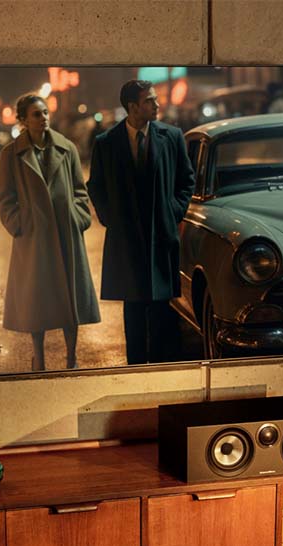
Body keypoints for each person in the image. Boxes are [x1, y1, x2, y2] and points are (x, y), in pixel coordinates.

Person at [87, 79, 194, 365]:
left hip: (161, 233)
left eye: (155, 100)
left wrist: (174, 211)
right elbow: (95, 185)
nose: (157, 105)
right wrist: (109, 218)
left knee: (162, 311)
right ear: (132, 107)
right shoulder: (107, 143)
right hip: (127, 238)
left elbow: (186, 179)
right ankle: (135, 371)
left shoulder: (171, 136)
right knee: (133, 309)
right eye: (149, 101)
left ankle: (162, 370)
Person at [0, 94, 101, 371]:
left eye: (44, 112)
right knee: (36, 299)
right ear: (23, 121)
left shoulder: (67, 148)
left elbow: (80, 190)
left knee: (70, 297)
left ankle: (71, 356)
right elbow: (4, 197)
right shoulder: (12, 154)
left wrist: (78, 217)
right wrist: (19, 224)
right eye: (36, 114)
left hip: (66, 232)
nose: (43, 118)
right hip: (33, 237)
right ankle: (38, 356)